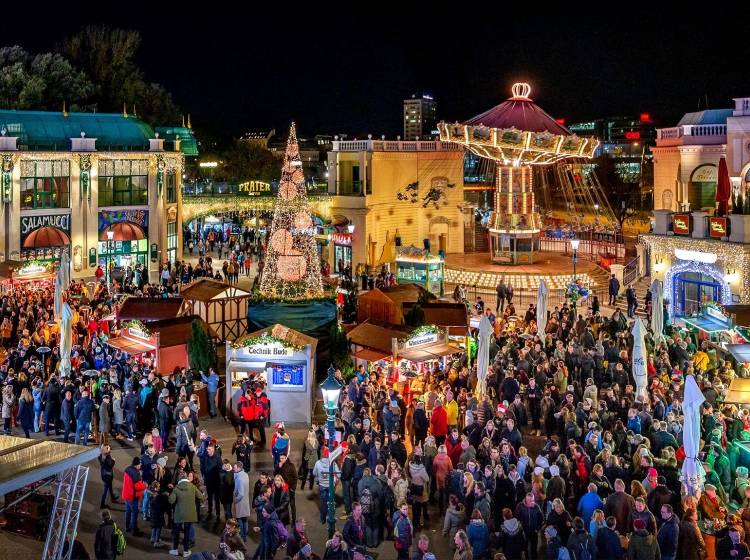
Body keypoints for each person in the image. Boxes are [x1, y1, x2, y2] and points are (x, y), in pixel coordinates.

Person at [168, 471, 203, 557]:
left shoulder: (176, 488)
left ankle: (175, 550)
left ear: (179, 479)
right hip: (190, 514)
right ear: (186, 478)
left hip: (179, 514)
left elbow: (171, 501)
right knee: (187, 533)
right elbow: (201, 497)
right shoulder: (193, 487)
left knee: (176, 532)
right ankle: (186, 552)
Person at [122, 457, 147, 536]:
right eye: (140, 464)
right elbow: (138, 486)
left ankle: (127, 527)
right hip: (133, 497)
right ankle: (134, 530)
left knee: (128, 512)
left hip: (126, 495)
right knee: (134, 513)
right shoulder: (136, 473)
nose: (140, 465)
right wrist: (145, 485)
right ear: (136, 465)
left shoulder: (127, 469)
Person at [233, 461, 252, 541]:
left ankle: (242, 536)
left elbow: (240, 493)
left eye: (235, 468)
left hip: (240, 502)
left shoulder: (239, 479)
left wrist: (235, 500)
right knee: (245, 519)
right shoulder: (245, 475)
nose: (233, 469)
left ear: (239, 468)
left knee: (240, 519)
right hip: (246, 501)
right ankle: (245, 535)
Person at [99, 444, 117, 509]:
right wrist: (114, 461)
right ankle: (102, 504)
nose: (110, 449)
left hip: (103, 474)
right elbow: (110, 465)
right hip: (108, 475)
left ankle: (112, 497)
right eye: (108, 448)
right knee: (106, 490)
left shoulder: (101, 456)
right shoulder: (108, 456)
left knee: (110, 486)